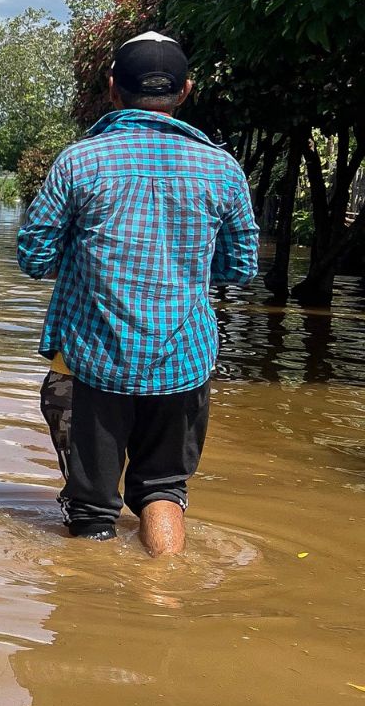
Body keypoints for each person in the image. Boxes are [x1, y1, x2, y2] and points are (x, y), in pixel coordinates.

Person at [16, 32, 259, 556]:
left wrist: (86, 262)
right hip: (183, 362)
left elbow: (33, 258)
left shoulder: (80, 161)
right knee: (164, 489)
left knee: (91, 510)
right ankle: (164, 597)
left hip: (92, 361)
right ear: (186, 91)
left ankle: (102, 614)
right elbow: (240, 269)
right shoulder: (222, 167)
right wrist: (183, 265)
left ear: (111, 89)